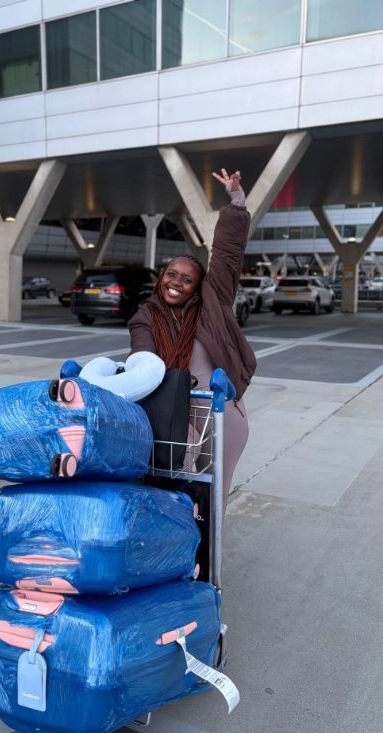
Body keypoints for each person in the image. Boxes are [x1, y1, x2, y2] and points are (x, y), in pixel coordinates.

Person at [128, 169, 257, 512]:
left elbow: (227, 254)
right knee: (166, 495)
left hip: (219, 416)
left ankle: (210, 547)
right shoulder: (145, 317)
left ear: (198, 287)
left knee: (211, 498)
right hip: (171, 421)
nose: (176, 282)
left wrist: (236, 201)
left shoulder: (213, 306)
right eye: (171, 274)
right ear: (161, 277)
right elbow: (143, 361)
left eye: (187, 279)